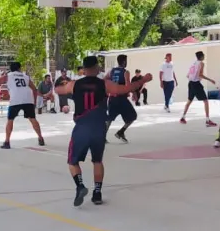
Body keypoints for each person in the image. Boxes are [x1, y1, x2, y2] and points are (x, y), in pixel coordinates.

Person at [54, 56, 152, 206]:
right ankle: (97, 193)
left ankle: (80, 186)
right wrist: (143, 80)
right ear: (96, 68)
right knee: (97, 161)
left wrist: (60, 85)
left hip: (82, 127)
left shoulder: (74, 84)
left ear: (84, 69)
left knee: (72, 161)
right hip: (99, 128)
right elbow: (126, 89)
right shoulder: (104, 84)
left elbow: (58, 89)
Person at [0, 62, 45, 149]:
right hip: (27, 99)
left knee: (10, 120)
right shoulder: (25, 77)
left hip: (15, 100)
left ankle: (7, 142)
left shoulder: (9, 76)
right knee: (33, 119)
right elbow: (34, 89)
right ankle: (40, 138)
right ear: (19, 68)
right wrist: (34, 102)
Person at [104, 54, 137, 143]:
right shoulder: (125, 72)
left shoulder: (111, 71)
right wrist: (134, 93)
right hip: (121, 98)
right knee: (133, 116)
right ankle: (121, 132)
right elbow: (128, 84)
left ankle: (102, 136)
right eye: (126, 61)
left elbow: (105, 79)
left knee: (110, 118)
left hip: (112, 98)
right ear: (124, 62)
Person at [180, 51, 217, 127]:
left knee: (189, 101)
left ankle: (183, 117)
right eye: (203, 55)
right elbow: (200, 74)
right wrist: (210, 80)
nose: (204, 56)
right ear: (201, 56)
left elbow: (188, 75)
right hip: (196, 84)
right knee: (206, 101)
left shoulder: (193, 63)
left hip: (190, 83)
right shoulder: (201, 63)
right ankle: (207, 120)